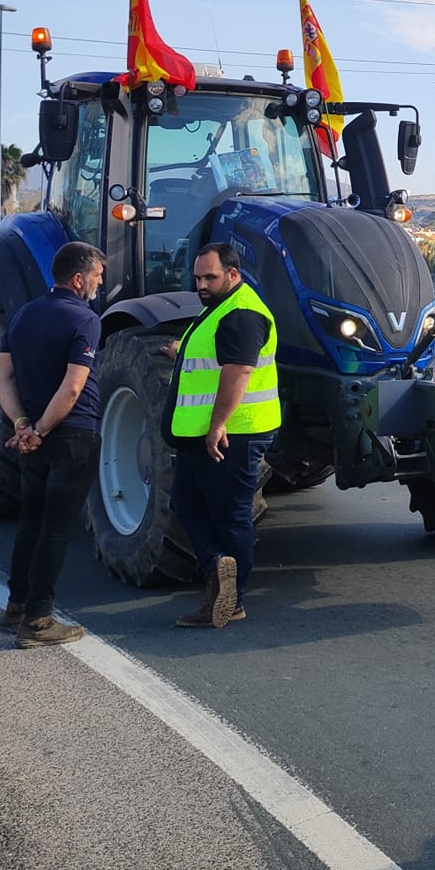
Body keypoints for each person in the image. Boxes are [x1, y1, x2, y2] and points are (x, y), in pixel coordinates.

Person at [0, 241, 106, 648]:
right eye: (96, 276)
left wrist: (22, 423)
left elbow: (1, 376)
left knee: (32, 524)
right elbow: (74, 387)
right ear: (78, 279)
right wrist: (40, 428)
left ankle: (15, 607)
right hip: (71, 435)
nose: (99, 282)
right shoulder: (85, 319)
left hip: (33, 440)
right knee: (56, 530)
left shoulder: (25, 314)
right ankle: (38, 621)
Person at [163, 241, 278, 629]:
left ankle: (232, 599)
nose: (201, 285)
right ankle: (217, 566)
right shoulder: (219, 310)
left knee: (230, 516)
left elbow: (238, 372)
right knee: (185, 501)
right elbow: (214, 360)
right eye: (197, 278)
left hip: (233, 435)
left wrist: (217, 426)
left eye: (210, 277)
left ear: (233, 274)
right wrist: (180, 351)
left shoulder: (241, 313)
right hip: (205, 435)